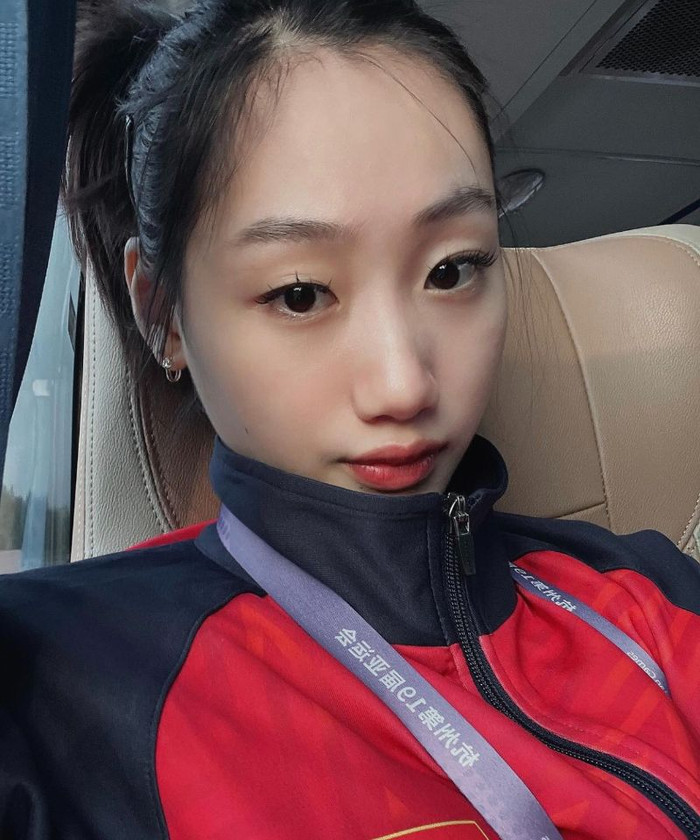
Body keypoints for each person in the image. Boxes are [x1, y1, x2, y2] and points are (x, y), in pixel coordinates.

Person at [1, 0, 699, 838]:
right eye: (300, 294)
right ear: (167, 315)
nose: (404, 385)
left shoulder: (650, 594)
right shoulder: (60, 677)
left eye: (453, 270)